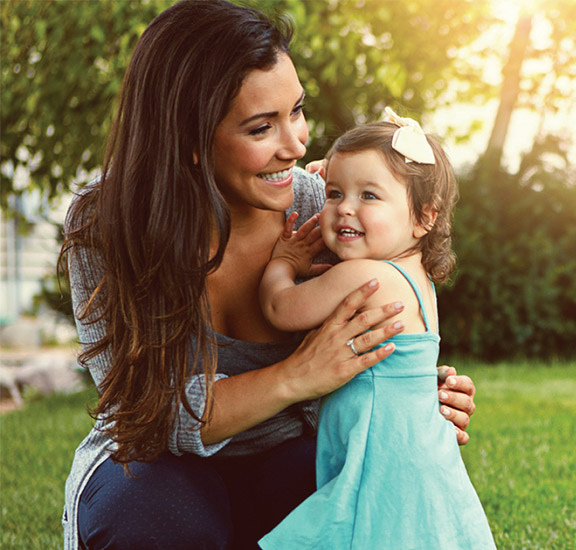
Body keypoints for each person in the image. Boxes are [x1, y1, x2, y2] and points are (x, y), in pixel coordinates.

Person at [58, 2, 478, 549]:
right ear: (187, 138)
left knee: (357, 504)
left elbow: (381, 314)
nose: (297, 144)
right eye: (262, 127)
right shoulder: (108, 224)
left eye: (296, 111)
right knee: (163, 518)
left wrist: (417, 392)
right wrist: (294, 376)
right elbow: (146, 414)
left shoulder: (321, 211)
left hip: (287, 453)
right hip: (155, 465)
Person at [257, 109, 494, 549]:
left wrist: (283, 262)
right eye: (333, 193)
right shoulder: (416, 278)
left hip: (382, 462)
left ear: (424, 217)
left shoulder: (366, 276)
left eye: (369, 196)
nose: (345, 207)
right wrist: (348, 187)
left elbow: (280, 307)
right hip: (418, 456)